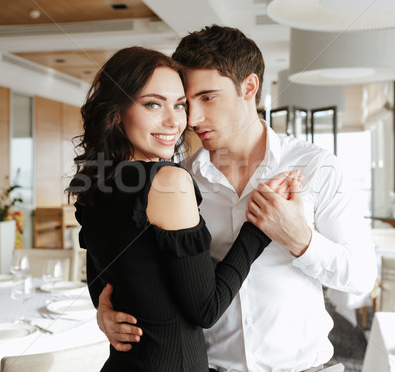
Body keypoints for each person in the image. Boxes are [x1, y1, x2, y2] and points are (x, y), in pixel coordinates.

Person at [96, 26, 378, 371]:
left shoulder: (317, 168)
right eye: (189, 102)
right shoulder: (177, 179)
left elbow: (362, 278)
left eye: (208, 97)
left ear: (249, 87)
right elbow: (125, 260)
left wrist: (299, 239)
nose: (192, 119)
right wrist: (105, 309)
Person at [67, 46, 296, 371]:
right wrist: (257, 229)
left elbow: (99, 287)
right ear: (117, 112)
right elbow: (206, 309)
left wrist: (104, 313)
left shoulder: (94, 181)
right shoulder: (168, 180)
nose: (174, 121)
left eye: (179, 105)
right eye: (152, 104)